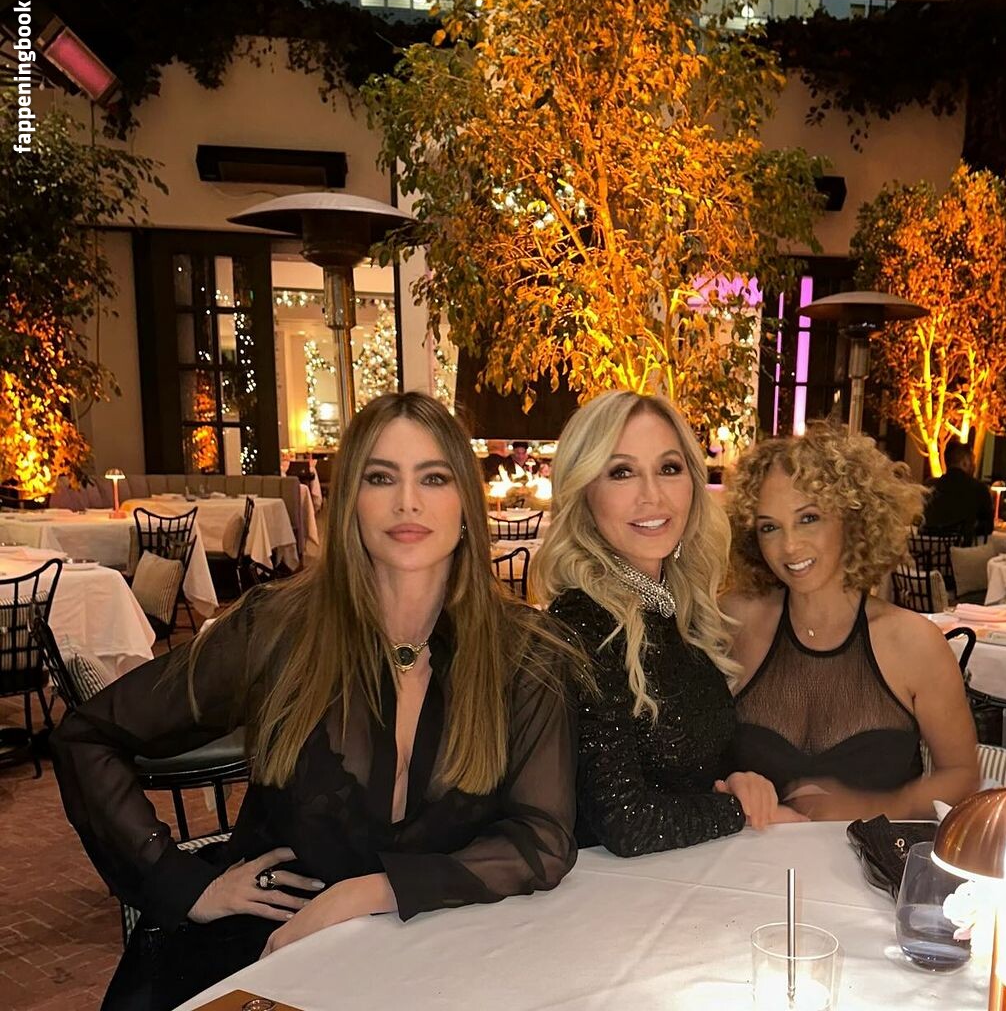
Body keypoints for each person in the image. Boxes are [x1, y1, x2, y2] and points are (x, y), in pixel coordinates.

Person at [52, 392, 584, 1010]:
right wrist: (183, 885)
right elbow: (89, 736)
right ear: (350, 500)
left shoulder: (526, 652)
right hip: (264, 948)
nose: (407, 502)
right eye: (380, 477)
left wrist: (370, 892)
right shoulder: (277, 628)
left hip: (436, 959)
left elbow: (541, 839)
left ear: (466, 501)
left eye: (433, 478)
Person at [532, 391, 799, 859]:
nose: (652, 495)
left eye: (669, 468)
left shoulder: (676, 607)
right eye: (621, 472)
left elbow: (692, 762)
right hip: (614, 892)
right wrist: (736, 811)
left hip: (687, 873)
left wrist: (737, 780)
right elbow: (625, 822)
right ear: (584, 492)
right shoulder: (583, 621)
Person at [721, 422, 980, 821]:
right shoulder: (734, 621)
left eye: (809, 518)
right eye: (769, 527)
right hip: (746, 857)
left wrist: (870, 808)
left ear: (853, 517)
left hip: (876, 859)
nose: (789, 545)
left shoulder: (914, 642)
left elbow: (962, 776)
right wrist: (729, 786)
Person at [921, 439, 993, 540]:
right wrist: (970, 529)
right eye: (972, 461)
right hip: (961, 547)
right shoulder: (978, 488)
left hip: (927, 546)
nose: (974, 465)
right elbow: (988, 527)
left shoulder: (929, 486)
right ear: (965, 462)